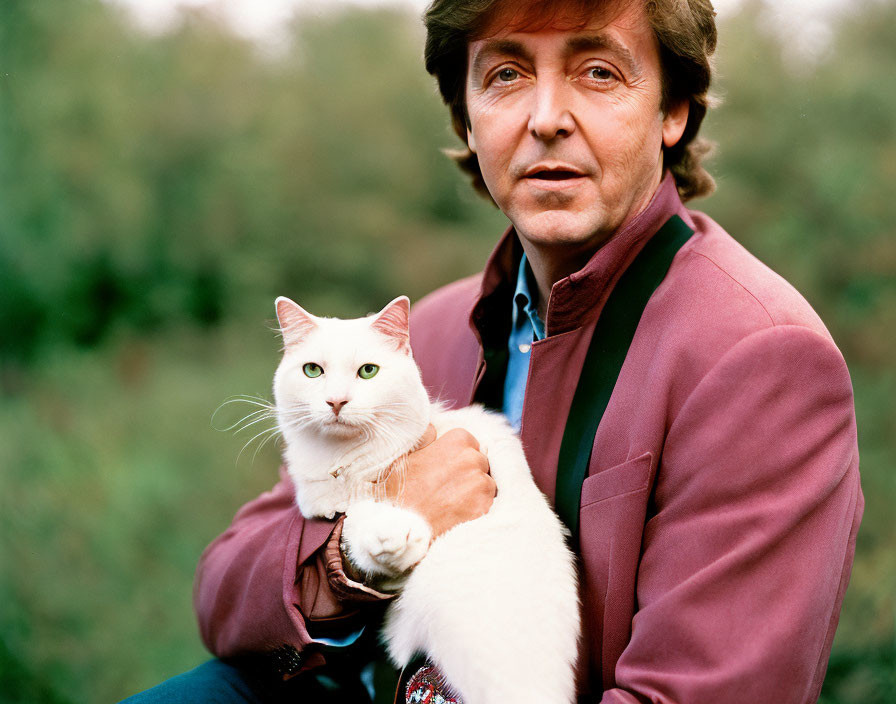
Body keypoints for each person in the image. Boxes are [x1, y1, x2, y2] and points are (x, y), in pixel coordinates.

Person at [121, 0, 863, 702]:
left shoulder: (762, 358)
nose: (545, 119)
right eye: (505, 74)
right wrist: (352, 560)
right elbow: (227, 596)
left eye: (597, 71)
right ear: (467, 117)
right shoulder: (425, 338)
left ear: (673, 110)